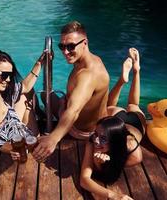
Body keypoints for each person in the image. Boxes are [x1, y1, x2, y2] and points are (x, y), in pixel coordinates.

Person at [33, 21, 110, 162]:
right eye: (62, 46)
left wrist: (53, 138)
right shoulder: (88, 60)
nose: (65, 52)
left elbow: (73, 111)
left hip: (80, 131)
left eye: (71, 46)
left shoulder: (88, 75)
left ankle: (40, 122)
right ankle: (43, 115)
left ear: (85, 43)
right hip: (76, 114)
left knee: (37, 96)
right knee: (44, 95)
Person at [80, 48, 144, 200]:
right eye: (96, 135)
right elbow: (85, 179)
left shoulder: (134, 153)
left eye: (102, 139)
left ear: (114, 142)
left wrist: (100, 165)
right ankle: (128, 76)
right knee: (131, 104)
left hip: (132, 124)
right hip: (115, 120)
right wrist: (113, 195)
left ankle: (134, 72)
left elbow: (108, 172)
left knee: (132, 105)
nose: (95, 140)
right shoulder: (93, 141)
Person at [0, 50, 45, 160]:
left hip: (12, 127)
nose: (8, 79)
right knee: (42, 145)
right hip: (13, 143)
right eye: (4, 75)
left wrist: (39, 63)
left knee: (24, 96)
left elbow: (25, 86)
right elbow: (0, 139)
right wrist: (16, 150)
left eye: (10, 75)